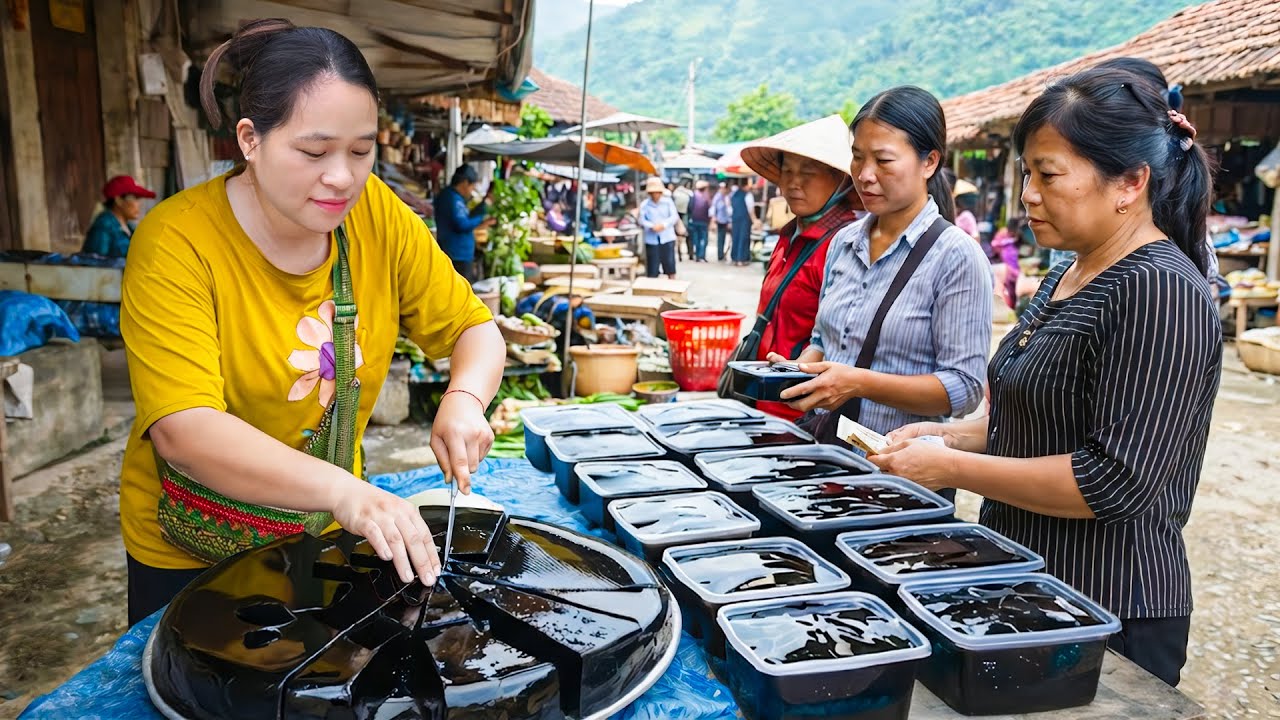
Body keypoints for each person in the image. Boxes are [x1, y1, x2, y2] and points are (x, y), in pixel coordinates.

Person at [118, 18, 506, 626]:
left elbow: (473, 329)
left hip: (328, 533)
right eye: (313, 151)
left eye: (361, 149)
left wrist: (463, 398)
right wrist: (345, 491)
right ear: (250, 139)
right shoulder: (176, 243)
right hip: (192, 554)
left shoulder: (377, 213)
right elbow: (184, 430)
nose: (343, 177)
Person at [871, 61, 1222, 688]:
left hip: (1111, 606)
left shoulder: (1160, 290)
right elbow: (1028, 415)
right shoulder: (1070, 270)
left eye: (1048, 175)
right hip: (1028, 580)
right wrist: (945, 436)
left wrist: (949, 469)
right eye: (1027, 173)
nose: (1028, 194)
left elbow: (1113, 481)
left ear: (1130, 183)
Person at [767, 86, 992, 459]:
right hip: (830, 453)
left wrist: (858, 383)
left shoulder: (956, 256)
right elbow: (823, 341)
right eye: (857, 158)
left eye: (884, 161)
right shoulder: (843, 243)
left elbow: (964, 389)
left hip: (902, 469)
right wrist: (799, 370)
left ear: (929, 162)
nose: (865, 175)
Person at [740, 115, 863, 421]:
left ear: (841, 179)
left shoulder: (846, 246)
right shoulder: (787, 236)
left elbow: (843, 340)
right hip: (766, 399)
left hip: (806, 410)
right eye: (787, 170)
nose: (794, 182)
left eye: (808, 172)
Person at [433, 164, 494, 283]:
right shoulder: (451, 199)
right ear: (465, 183)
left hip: (459, 254)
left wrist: (484, 204)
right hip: (456, 256)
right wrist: (482, 219)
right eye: (472, 186)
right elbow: (462, 224)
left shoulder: (454, 197)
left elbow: (467, 217)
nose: (472, 191)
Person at [82, 175, 156, 258]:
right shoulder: (104, 225)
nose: (138, 204)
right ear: (119, 200)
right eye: (134, 198)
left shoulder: (129, 227)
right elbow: (95, 261)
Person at [639, 176, 679, 278]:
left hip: (667, 237)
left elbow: (674, 216)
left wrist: (664, 225)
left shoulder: (668, 202)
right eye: (653, 193)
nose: (655, 195)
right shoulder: (645, 205)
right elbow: (642, 220)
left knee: (670, 266)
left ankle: (672, 287)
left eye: (657, 192)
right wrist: (652, 226)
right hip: (651, 239)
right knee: (652, 269)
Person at [990, 217, 1025, 309]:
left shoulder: (1019, 235)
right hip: (1006, 266)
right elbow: (994, 244)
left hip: (1015, 265)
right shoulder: (1003, 233)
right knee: (1006, 290)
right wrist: (1008, 241)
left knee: (1015, 290)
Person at [729, 179, 756, 266]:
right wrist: (755, 220)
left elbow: (729, 207)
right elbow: (750, 210)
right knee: (743, 239)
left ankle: (734, 258)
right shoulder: (748, 195)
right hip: (744, 219)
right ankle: (741, 259)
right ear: (746, 185)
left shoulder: (733, 194)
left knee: (735, 238)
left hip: (735, 219)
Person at [688, 179, 713, 262]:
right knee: (703, 239)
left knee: (696, 239)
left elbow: (690, 208)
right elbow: (710, 210)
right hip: (704, 222)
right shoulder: (707, 197)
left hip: (694, 221)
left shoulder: (693, 196)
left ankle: (698, 256)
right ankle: (701, 256)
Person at [711, 182, 733, 261]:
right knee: (720, 238)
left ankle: (724, 254)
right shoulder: (717, 197)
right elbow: (713, 208)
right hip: (720, 220)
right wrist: (714, 217)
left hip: (727, 221)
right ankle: (720, 255)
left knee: (726, 239)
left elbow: (729, 209)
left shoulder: (727, 197)